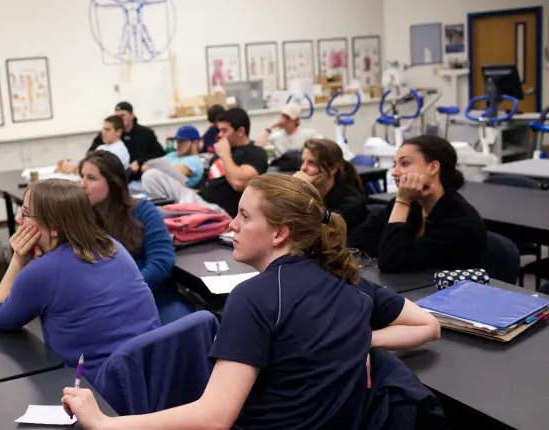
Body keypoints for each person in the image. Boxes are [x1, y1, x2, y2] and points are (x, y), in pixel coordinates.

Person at [61, 173, 441, 430]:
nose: (231, 225)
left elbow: (215, 417)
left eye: (244, 216)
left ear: (280, 233)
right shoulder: (350, 281)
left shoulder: (254, 298)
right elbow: (428, 325)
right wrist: (359, 340)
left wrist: (105, 423)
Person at [0, 179, 161, 384]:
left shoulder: (44, 271)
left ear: (53, 227)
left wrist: (18, 260)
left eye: (26, 214)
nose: (19, 220)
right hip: (152, 375)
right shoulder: (112, 245)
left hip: (100, 392)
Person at [79, 151, 194, 324]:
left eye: (91, 178)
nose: (82, 185)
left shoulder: (142, 210)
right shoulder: (81, 219)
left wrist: (127, 290)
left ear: (113, 182)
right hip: (105, 302)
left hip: (154, 294)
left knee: (184, 327)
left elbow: (162, 261)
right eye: (82, 177)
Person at [350, 135, 488, 273]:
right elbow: (355, 241)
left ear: (433, 167)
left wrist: (402, 202)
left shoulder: (459, 221)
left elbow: (391, 262)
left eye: (404, 164)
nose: (394, 172)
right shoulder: (413, 204)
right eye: (395, 165)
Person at [141, 108, 268, 217]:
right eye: (219, 130)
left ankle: (176, 211)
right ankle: (175, 211)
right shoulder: (219, 155)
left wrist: (225, 154)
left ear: (240, 131)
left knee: (159, 207)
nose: (219, 135)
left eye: (224, 131)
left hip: (219, 210)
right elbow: (209, 183)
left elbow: (238, 183)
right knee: (151, 176)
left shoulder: (255, 153)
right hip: (199, 198)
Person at [293, 139, 368, 230]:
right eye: (303, 161)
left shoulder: (351, 202)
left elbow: (325, 226)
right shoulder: (316, 193)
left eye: (312, 163)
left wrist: (302, 192)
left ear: (333, 168)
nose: (303, 168)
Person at [88, 102, 164, 177]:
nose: (119, 119)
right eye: (117, 116)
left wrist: (140, 161)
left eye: (122, 116)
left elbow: (159, 153)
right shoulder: (109, 133)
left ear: (132, 115)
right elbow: (91, 152)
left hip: (139, 175)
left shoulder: (145, 133)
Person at [59, 116, 131, 173]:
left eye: (107, 130)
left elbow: (98, 173)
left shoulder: (119, 150)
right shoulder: (101, 147)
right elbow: (86, 164)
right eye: (103, 129)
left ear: (118, 132)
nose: (103, 132)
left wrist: (73, 169)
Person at [254, 102, 323, 158]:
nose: (284, 120)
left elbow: (324, 147)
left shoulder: (309, 134)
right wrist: (270, 127)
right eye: (283, 116)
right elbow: (257, 148)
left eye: (288, 118)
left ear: (297, 121)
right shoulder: (276, 136)